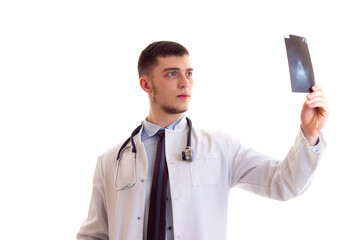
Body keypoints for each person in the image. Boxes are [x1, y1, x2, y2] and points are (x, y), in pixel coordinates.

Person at [77, 41, 329, 240]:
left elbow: (283, 183)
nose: (185, 83)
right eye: (172, 74)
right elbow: (94, 235)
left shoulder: (221, 148)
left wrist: (309, 133)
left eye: (189, 73)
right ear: (146, 84)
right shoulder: (111, 161)